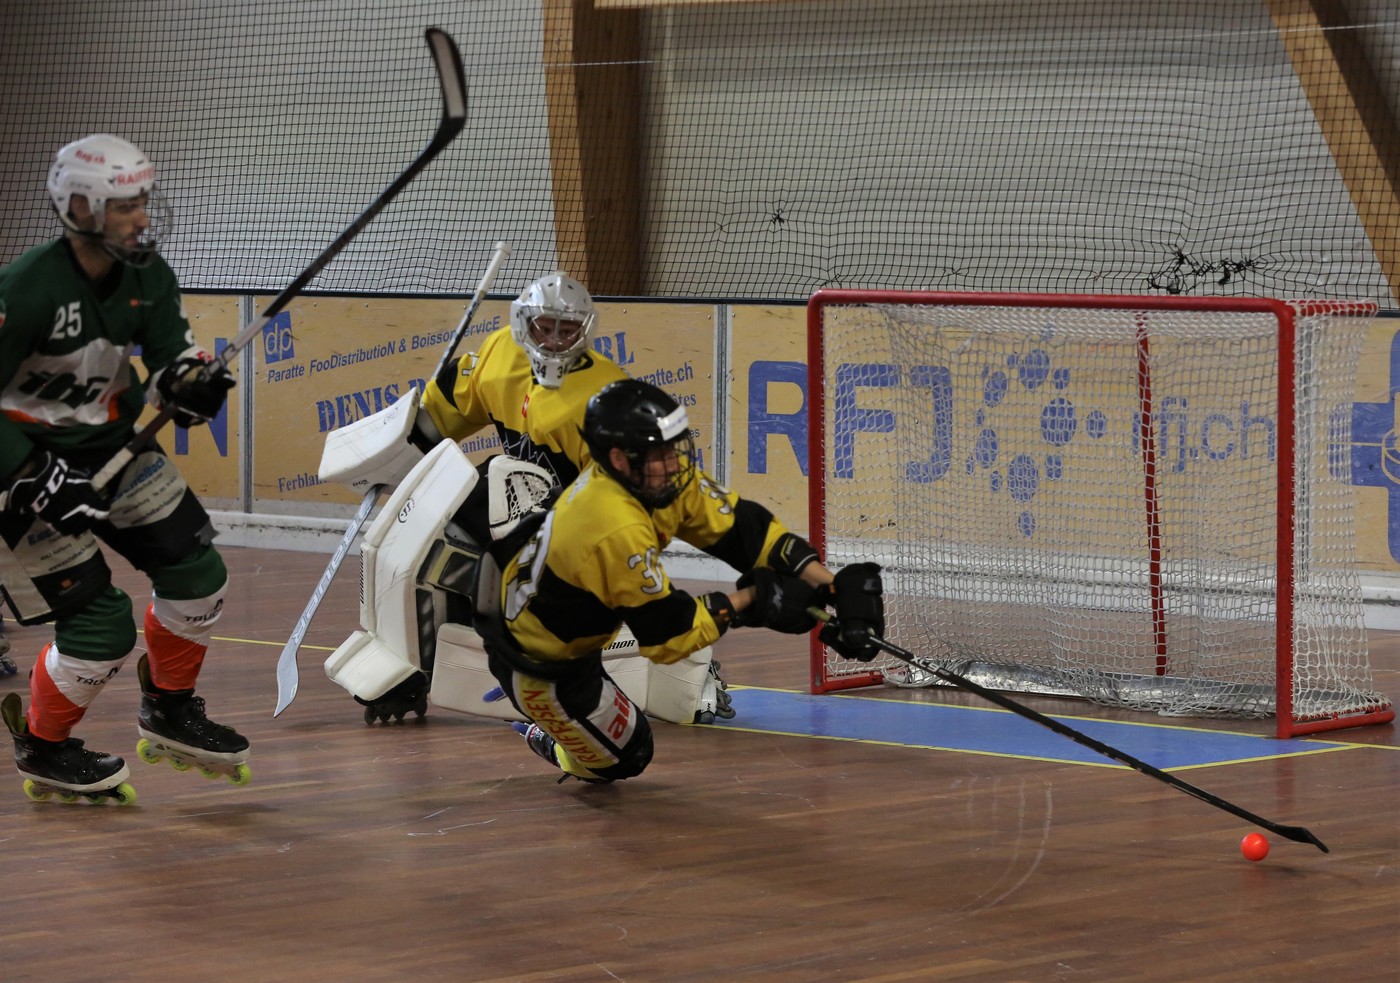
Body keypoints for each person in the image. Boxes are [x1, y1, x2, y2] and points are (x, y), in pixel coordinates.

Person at [335, 271, 736, 726]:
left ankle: (683, 668)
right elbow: (441, 417)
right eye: (545, 327)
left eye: (567, 331)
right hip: (519, 498)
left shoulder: (606, 402)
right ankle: (411, 671)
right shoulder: (497, 357)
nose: (554, 341)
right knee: (429, 535)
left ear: (585, 332)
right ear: (521, 323)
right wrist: (398, 446)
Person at [0, 134, 248, 802]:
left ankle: (170, 709)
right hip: (22, 472)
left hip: (117, 448)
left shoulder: (148, 273)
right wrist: (29, 474)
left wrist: (192, 383)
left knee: (198, 576)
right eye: (124, 205)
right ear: (79, 207)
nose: (141, 217)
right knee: (100, 627)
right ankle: (43, 746)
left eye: (143, 200)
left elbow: (171, 358)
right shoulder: (26, 288)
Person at [479, 378, 885, 784]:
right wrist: (753, 601)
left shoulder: (652, 477)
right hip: (540, 662)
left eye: (674, 448)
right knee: (626, 759)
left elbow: (744, 530)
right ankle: (546, 730)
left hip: (579, 617)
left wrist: (830, 584)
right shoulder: (610, 527)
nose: (674, 463)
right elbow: (667, 633)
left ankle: (576, 723)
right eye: (660, 454)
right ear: (619, 459)